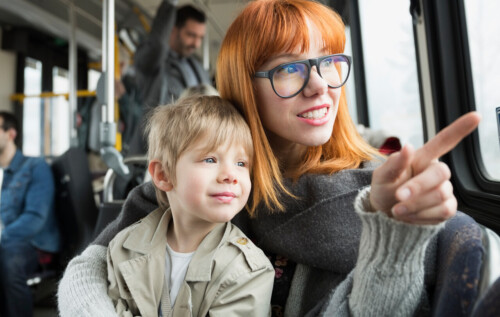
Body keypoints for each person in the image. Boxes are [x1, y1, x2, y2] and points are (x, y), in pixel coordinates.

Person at [57, 1, 481, 316]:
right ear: (245, 87)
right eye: (289, 68)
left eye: (329, 62)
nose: (319, 85)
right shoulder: (197, 183)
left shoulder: (378, 194)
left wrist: (395, 236)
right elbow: (89, 269)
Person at [106, 95, 274, 316]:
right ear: (163, 174)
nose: (231, 175)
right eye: (210, 159)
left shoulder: (248, 271)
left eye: (241, 163)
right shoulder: (123, 248)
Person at [0, 111, 60, 317]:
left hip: (32, 242)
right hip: (6, 239)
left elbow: (35, 217)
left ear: (11, 133)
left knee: (8, 259)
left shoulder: (35, 167)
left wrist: (2, 236)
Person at [135, 0, 211, 108]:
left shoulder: (198, 68)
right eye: (191, 35)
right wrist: (170, 3)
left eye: (200, 38)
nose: (196, 44)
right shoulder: (155, 64)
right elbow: (158, 45)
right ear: (173, 30)